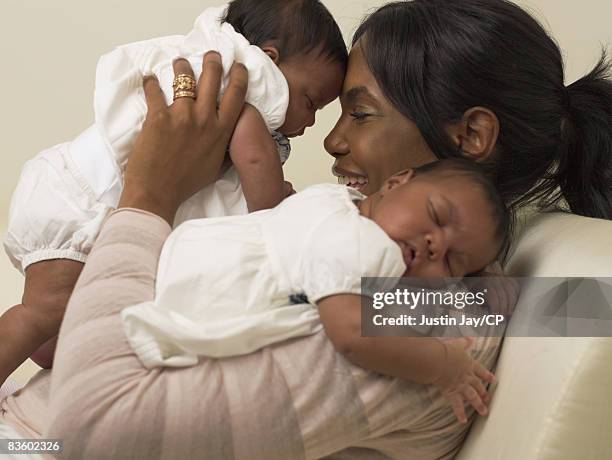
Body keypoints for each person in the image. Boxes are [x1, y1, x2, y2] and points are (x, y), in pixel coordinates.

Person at [1, 0, 609, 457]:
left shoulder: (417, 311)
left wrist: (148, 196)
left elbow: (91, 431)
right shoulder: (436, 279)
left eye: (361, 113)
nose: (333, 139)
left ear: (470, 137)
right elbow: (558, 304)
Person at [0, 0, 346, 384]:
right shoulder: (244, 88)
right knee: (44, 312)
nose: (314, 123)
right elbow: (255, 164)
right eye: (311, 102)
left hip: (81, 194)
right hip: (87, 201)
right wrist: (277, 209)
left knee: (58, 338)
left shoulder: (209, 63)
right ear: (269, 59)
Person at [121, 159, 509, 422]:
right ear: (394, 182)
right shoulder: (367, 244)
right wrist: (443, 365)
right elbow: (352, 336)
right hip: (203, 296)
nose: (435, 246)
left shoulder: (332, 200)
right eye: (437, 216)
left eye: (453, 263)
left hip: (176, 262)